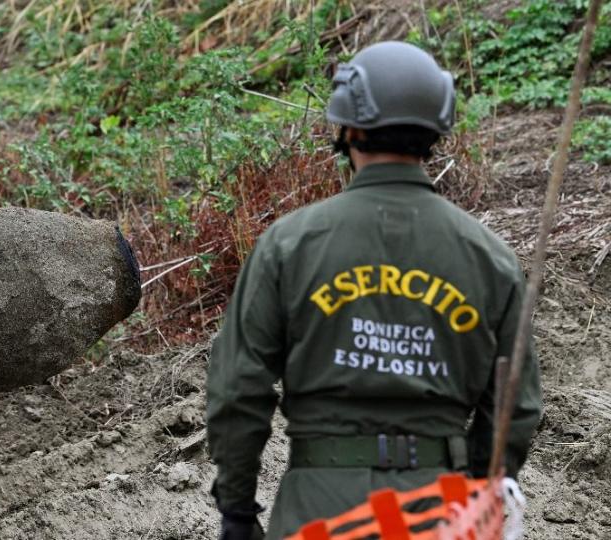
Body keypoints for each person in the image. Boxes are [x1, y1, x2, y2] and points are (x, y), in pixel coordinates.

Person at [205, 41, 543, 540]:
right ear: (435, 129)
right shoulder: (489, 257)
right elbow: (516, 405)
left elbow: (238, 388)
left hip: (318, 514)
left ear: (350, 127)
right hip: (443, 512)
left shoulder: (291, 245)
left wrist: (236, 508)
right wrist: (477, 486)